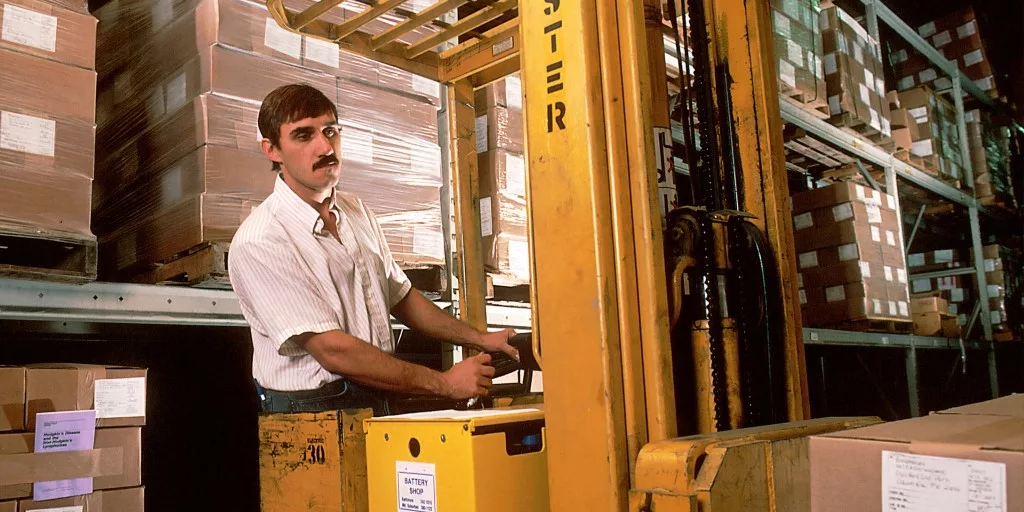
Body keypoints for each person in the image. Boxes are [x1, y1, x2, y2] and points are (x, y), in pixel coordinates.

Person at [229, 84, 518, 416]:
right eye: (303, 136)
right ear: (272, 150)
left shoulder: (355, 211)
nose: (325, 146)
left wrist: (481, 339)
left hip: (375, 391)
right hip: (312, 412)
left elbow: (401, 296)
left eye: (330, 130)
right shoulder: (262, 240)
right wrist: (446, 384)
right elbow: (332, 351)